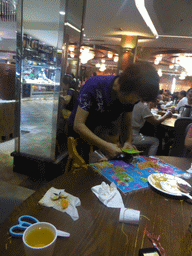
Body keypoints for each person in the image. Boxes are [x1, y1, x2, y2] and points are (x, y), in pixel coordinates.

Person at [67, 62, 160, 161]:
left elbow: (127, 123)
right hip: (79, 133)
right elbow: (78, 125)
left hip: (101, 133)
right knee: (84, 169)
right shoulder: (94, 85)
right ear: (127, 88)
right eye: (137, 97)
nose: (135, 102)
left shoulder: (131, 96)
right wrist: (105, 146)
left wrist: (128, 142)